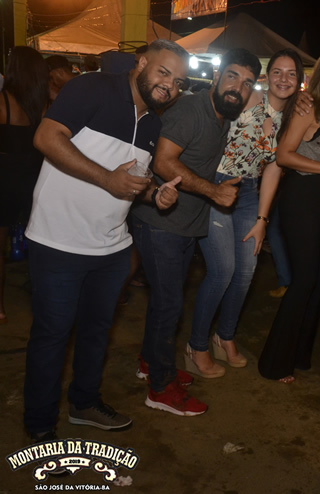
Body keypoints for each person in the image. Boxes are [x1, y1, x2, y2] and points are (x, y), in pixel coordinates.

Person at [22, 40, 187, 440]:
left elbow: (131, 181)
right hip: (58, 240)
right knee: (52, 337)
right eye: (164, 72)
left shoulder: (153, 125)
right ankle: (40, 426)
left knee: (96, 333)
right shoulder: (92, 88)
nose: (169, 85)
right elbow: (46, 137)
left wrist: (155, 194)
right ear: (141, 63)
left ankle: (84, 403)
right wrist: (106, 179)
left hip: (111, 248)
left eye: (179, 82)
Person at [131, 49, 261, 415]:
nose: (238, 88)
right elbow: (163, 162)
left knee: (163, 303)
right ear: (216, 77)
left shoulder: (222, 116)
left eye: (247, 83)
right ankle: (160, 388)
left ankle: (151, 363)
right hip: (161, 223)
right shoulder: (191, 109)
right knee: (169, 306)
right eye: (232, 77)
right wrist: (214, 192)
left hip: (184, 224)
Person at [188, 49, 304, 373]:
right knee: (222, 270)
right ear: (267, 76)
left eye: (291, 73)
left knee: (245, 273)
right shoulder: (250, 97)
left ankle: (224, 337)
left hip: (250, 194)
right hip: (218, 185)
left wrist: (263, 219)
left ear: (299, 80)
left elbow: (274, 169)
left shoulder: (292, 118)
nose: (283, 79)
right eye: (277, 71)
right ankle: (196, 345)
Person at [258, 47, 320, 383]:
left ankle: (299, 354)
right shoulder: (310, 106)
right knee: (303, 281)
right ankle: (274, 363)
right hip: (302, 198)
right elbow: (284, 155)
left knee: (319, 281)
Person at [0, 46, 48, 326]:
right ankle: (43, 304)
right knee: (40, 245)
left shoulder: (3, 101)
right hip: (35, 178)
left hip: (5, 179)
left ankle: (0, 308)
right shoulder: (44, 104)